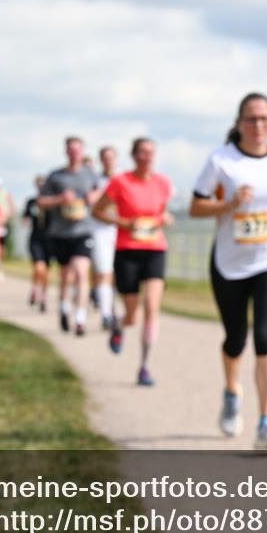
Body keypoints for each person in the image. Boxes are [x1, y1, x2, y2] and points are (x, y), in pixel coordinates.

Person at [190, 93, 267, 450]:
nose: (259, 126)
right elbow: (195, 207)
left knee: (265, 336)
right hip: (231, 263)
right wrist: (228, 203)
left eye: (266, 119)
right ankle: (230, 392)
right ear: (240, 123)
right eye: (252, 119)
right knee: (235, 337)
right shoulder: (221, 160)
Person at [93, 137, 173, 386]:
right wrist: (126, 223)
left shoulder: (163, 183)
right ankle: (118, 326)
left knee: (151, 306)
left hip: (155, 249)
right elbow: (98, 211)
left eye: (151, 153)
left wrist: (165, 219)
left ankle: (144, 367)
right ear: (133, 155)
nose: (147, 157)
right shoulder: (120, 182)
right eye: (142, 153)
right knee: (132, 317)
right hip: (127, 251)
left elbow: (164, 212)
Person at [39, 136, 102, 336]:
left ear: (83, 152)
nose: (75, 153)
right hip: (61, 232)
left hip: (83, 231)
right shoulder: (56, 176)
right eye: (71, 150)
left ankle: (80, 318)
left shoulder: (90, 174)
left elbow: (102, 193)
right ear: (66, 152)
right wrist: (60, 199)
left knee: (82, 271)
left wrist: (95, 197)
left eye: (78, 150)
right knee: (66, 276)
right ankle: (64, 307)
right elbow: (41, 202)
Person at [90, 146, 119, 330]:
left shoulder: (122, 179)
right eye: (105, 158)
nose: (108, 161)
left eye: (111, 157)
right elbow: (90, 200)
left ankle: (112, 305)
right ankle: (107, 313)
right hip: (100, 229)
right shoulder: (95, 181)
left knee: (118, 273)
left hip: (121, 229)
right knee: (103, 271)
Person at [23, 176, 53, 313]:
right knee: (38, 267)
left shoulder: (52, 203)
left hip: (50, 240)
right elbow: (25, 218)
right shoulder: (31, 202)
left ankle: (43, 297)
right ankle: (35, 287)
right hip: (35, 239)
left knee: (46, 270)